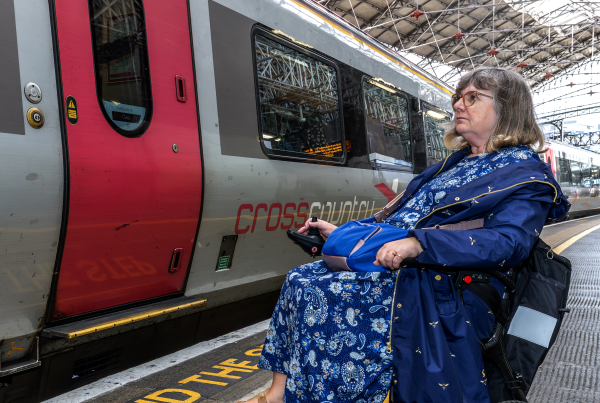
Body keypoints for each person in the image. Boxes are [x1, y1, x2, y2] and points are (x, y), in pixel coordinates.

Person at [238, 67, 570, 403]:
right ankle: (279, 393)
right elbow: (397, 219)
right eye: (458, 97)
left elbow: (508, 243)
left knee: (323, 291)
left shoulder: (528, 175)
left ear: (508, 109)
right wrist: (345, 236)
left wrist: (420, 244)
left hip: (443, 280)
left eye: (473, 98)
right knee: (301, 279)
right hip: (403, 265)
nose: (458, 105)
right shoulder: (453, 164)